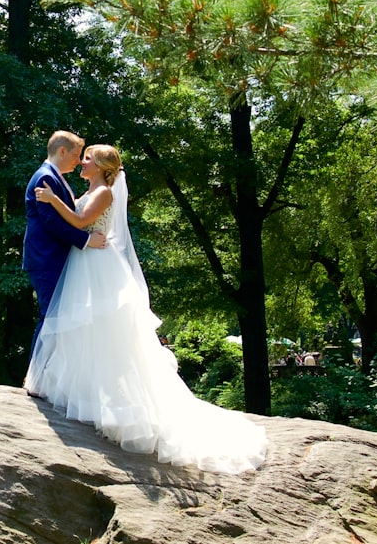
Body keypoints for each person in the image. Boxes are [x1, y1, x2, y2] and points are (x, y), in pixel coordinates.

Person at [24, 144, 267, 474]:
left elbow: (82, 220)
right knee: (85, 328)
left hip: (97, 265)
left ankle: (112, 403)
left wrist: (53, 201)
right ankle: (82, 393)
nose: (82, 162)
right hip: (85, 262)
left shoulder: (104, 194)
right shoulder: (92, 188)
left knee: (102, 329)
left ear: (102, 167)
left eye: (88, 159)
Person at [23, 131, 106, 358]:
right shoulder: (45, 177)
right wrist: (87, 240)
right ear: (62, 151)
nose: (79, 160)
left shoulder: (53, 176)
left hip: (52, 257)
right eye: (76, 154)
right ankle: (36, 376)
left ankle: (45, 376)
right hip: (46, 258)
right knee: (52, 316)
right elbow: (51, 222)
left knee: (57, 316)